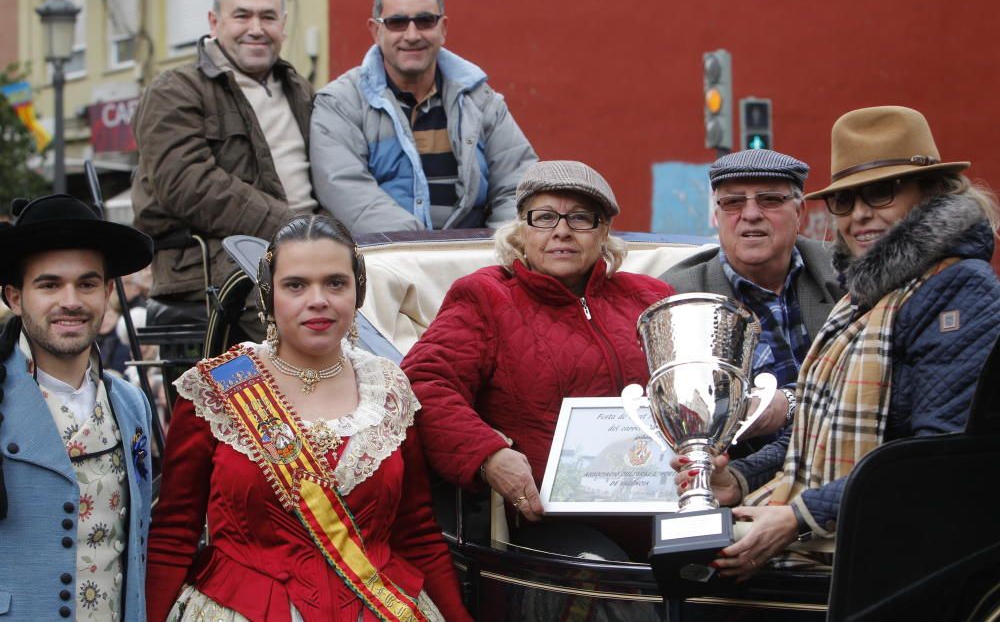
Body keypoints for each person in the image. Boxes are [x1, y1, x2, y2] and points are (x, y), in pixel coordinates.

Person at [683, 106, 1000, 579]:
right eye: (845, 201)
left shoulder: (960, 287)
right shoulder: (869, 291)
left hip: (897, 557)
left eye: (880, 192)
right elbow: (809, 430)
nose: (860, 215)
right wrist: (740, 479)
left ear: (931, 195)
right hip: (844, 529)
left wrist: (798, 517)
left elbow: (936, 458)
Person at [146, 215, 471, 622]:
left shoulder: (389, 388)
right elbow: (173, 535)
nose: (318, 300)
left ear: (358, 291)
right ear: (269, 294)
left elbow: (418, 532)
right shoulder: (218, 387)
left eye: (335, 283)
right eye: (295, 285)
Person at [402, 160, 675, 558]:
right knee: (618, 594)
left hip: (662, 503)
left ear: (603, 232)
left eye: (580, 218)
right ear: (521, 230)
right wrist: (487, 455)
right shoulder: (486, 297)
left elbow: (695, 389)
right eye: (545, 217)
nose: (561, 230)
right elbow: (424, 384)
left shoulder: (651, 297)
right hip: (550, 518)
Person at [131, 0, 318, 321]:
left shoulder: (300, 89)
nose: (256, 28)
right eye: (242, 15)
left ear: (284, 24)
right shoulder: (175, 89)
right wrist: (297, 230)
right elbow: (186, 184)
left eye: (268, 16)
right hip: (213, 268)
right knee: (307, 324)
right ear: (214, 22)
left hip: (307, 256)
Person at [0, 194, 154, 621]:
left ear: (106, 293)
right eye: (49, 285)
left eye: (87, 284)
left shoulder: (131, 404)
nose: (70, 300)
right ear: (15, 297)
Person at [310, 0, 537, 235]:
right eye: (397, 22)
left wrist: (501, 250)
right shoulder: (340, 104)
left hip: (479, 261)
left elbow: (519, 183)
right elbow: (347, 191)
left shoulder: (481, 101)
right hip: (383, 265)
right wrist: (425, 252)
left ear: (443, 28)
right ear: (376, 30)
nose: (412, 34)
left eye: (425, 21)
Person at [662, 149, 843, 447]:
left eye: (770, 199)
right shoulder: (680, 295)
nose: (750, 214)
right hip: (737, 474)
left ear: (799, 213)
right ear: (716, 216)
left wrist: (789, 403)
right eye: (733, 202)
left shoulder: (844, 277)